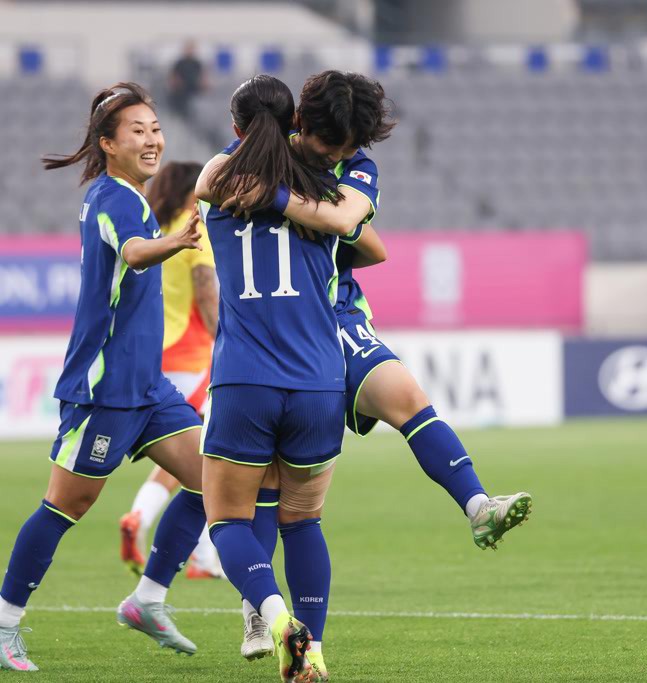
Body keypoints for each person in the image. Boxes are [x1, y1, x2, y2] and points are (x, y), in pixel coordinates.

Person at [213, 70, 534, 677]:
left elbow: (359, 226)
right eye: (330, 143)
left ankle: (476, 505)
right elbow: (218, 180)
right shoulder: (263, 150)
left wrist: (279, 200)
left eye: (350, 145)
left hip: (336, 314)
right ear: (299, 123)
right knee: (275, 487)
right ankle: (261, 610)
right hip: (294, 330)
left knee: (406, 397)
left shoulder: (345, 165)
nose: (339, 154)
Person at [0, 83, 209, 672]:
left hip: (147, 387)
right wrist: (173, 242)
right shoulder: (118, 200)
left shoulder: (127, 195)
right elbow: (131, 253)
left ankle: (147, 599)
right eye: (137, 130)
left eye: (155, 128)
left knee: (214, 482)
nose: (152, 138)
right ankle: (0, 621)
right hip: (104, 390)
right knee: (64, 507)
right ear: (107, 143)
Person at [195, 74, 344, 683]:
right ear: (296, 126)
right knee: (303, 520)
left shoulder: (220, 179)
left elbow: (207, 182)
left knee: (228, 520)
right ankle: (316, 652)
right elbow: (369, 241)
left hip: (245, 379)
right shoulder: (325, 189)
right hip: (318, 381)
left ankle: (277, 621)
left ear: (235, 128)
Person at [119, 161, 223, 579]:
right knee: (203, 455)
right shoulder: (193, 227)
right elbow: (207, 290)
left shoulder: (152, 229)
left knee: (192, 454)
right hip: (193, 353)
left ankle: (196, 553)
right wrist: (227, 340)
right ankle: (146, 522)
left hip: (157, 349)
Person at [167, 40, 206, 119]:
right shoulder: (180, 63)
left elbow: (203, 76)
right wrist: (175, 84)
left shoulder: (197, 63)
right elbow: (173, 76)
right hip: (182, 91)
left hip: (194, 90)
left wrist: (203, 84)